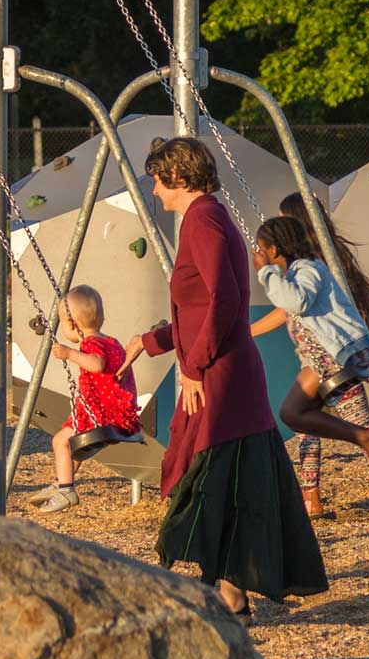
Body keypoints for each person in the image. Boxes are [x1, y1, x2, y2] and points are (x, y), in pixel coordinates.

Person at [119, 137, 327, 616]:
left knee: (212, 475)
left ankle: (209, 586)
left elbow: (226, 301)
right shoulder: (202, 218)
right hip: (218, 369)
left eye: (157, 180)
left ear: (178, 176)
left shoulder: (206, 219)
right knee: (228, 476)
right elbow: (199, 308)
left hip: (220, 376)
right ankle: (230, 591)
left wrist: (193, 367)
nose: (154, 191)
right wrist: (152, 342)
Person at [255, 193, 369, 523]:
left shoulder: (312, 268)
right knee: (303, 423)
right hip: (317, 360)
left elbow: (294, 303)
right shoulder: (307, 268)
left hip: (330, 361)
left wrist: (265, 273)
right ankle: (311, 497)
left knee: (351, 427)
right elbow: (289, 309)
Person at [28, 285, 141, 514]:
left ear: (71, 325)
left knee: (60, 442)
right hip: (116, 412)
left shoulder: (90, 344)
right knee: (76, 449)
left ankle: (67, 490)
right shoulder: (113, 341)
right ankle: (60, 481)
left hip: (101, 414)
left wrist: (70, 353)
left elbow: (97, 364)